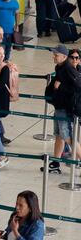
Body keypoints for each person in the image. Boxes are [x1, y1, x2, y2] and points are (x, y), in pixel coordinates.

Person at [45, 45, 81, 174]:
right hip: (59, 106)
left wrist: (61, 87)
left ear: (64, 57)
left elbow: (78, 86)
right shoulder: (60, 67)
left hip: (65, 108)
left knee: (68, 137)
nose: (54, 56)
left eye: (56, 55)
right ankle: (56, 162)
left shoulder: (68, 69)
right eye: (54, 54)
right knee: (59, 135)